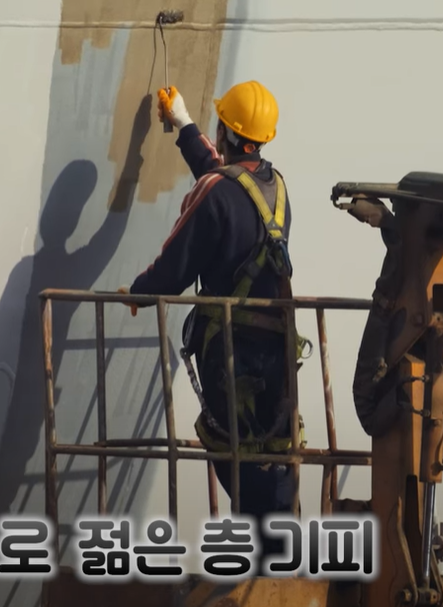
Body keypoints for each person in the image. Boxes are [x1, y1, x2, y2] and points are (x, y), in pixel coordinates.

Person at [119, 81, 307, 566]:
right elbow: (224, 183)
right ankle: (280, 561)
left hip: (232, 352)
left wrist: (138, 293)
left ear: (225, 130)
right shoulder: (275, 187)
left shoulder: (217, 192)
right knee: (274, 447)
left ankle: (262, 568)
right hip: (277, 348)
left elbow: (175, 266)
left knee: (234, 450)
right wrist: (182, 123)